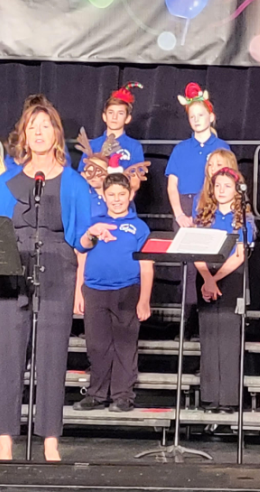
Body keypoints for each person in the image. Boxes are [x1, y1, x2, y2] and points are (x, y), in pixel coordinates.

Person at [0, 100, 92, 462]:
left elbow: (81, 239)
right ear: (24, 135)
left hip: (58, 265)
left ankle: (50, 441)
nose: (39, 132)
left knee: (52, 357)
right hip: (11, 266)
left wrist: (82, 279)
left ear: (56, 133)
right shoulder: (8, 180)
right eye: (32, 126)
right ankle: (6, 439)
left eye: (46, 125)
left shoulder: (73, 182)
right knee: (7, 355)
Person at [72, 173, 153, 413]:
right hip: (95, 290)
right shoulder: (95, 223)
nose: (117, 199)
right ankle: (97, 393)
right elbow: (81, 252)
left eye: (121, 194)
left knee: (125, 346)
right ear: (104, 196)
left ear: (130, 195)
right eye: (111, 195)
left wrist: (144, 300)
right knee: (97, 345)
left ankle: (122, 396)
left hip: (127, 290)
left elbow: (147, 265)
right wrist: (79, 292)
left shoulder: (139, 227)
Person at [194, 167, 254, 413]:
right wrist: (207, 279)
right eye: (217, 185)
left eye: (227, 186)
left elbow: (240, 255)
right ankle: (210, 397)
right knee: (209, 338)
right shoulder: (204, 217)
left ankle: (229, 399)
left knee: (228, 339)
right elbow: (196, 251)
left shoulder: (243, 219)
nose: (221, 190)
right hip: (206, 275)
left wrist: (216, 279)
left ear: (237, 190)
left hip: (231, 277)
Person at [167, 82, 231, 306]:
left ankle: (209, 310)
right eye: (192, 116)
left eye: (201, 114)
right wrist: (179, 215)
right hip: (185, 206)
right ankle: (188, 318)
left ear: (211, 117)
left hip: (212, 205)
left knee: (209, 258)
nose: (196, 119)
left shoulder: (222, 147)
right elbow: (172, 185)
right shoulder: (181, 149)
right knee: (189, 264)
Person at [75, 128, 149, 219]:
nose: (94, 175)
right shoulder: (83, 199)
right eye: (90, 172)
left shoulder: (115, 199)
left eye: (98, 171)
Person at [77, 82, 146, 173]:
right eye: (111, 112)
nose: (114, 117)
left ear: (127, 119)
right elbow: (83, 174)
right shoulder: (92, 145)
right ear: (104, 116)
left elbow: (136, 180)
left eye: (120, 113)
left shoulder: (134, 146)